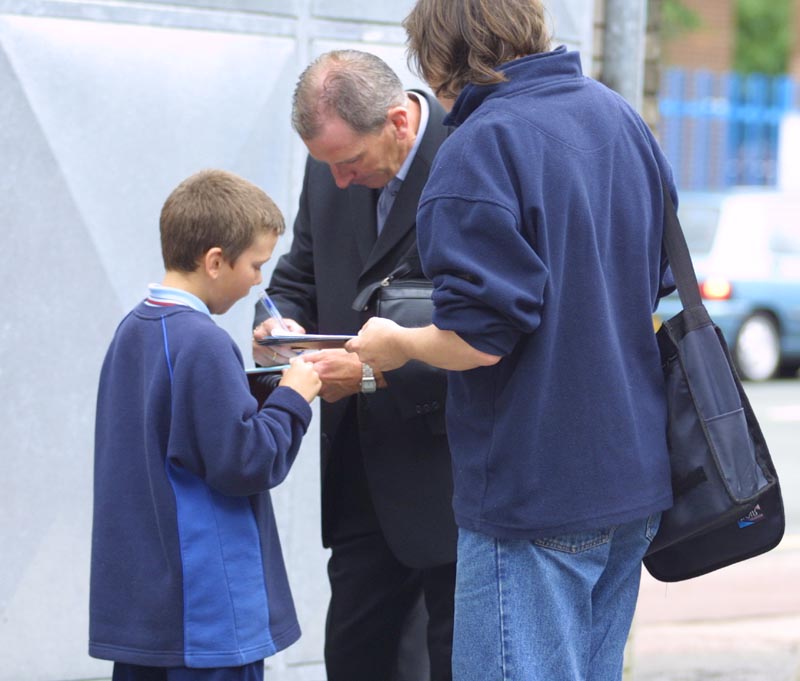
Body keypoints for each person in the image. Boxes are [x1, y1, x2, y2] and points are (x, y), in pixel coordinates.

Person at [347, 1, 677, 680]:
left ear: (442, 57)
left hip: (536, 491)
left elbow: (479, 337)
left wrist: (399, 341)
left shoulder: (481, 145)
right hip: (634, 478)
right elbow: (658, 279)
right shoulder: (619, 118)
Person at [251, 50, 456, 681]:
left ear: (398, 122)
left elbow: (492, 327)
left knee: (454, 661)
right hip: (359, 472)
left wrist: (371, 373)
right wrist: (279, 324)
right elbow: (299, 275)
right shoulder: (330, 172)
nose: (337, 182)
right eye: (327, 166)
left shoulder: (469, 157)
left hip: (451, 476)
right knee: (354, 657)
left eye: (349, 164)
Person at [89, 169, 321, 681]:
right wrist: (295, 395)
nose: (260, 279)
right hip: (207, 617)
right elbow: (246, 461)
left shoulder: (134, 331)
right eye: (256, 264)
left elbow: (198, 433)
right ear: (216, 261)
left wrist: (266, 372)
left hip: (149, 613)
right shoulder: (204, 342)